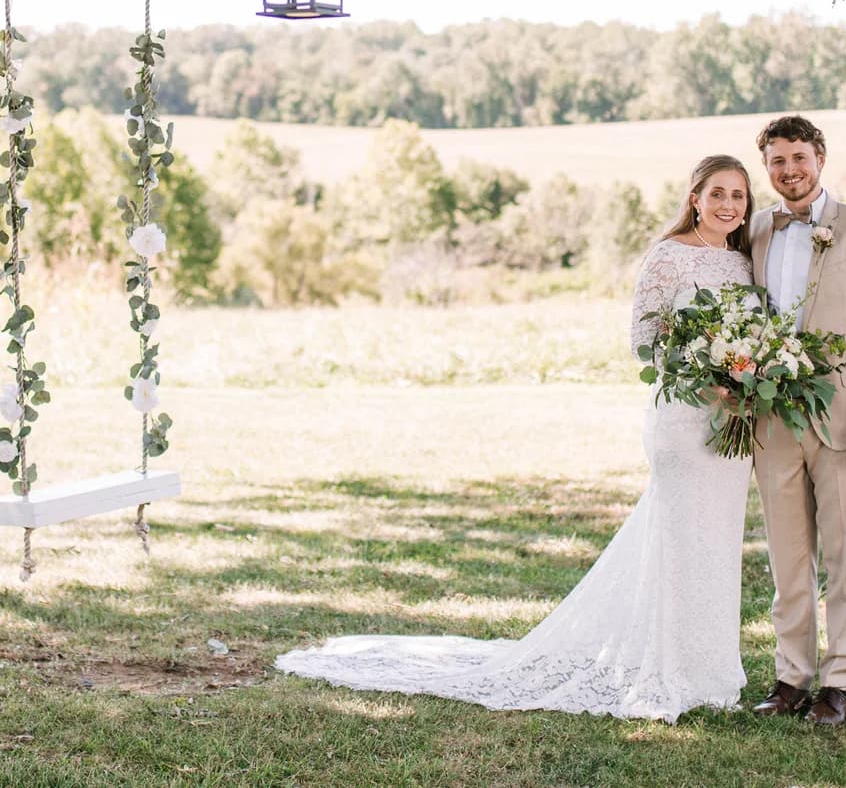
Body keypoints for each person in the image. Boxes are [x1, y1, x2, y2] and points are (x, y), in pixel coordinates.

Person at [274, 155, 758, 721]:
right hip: (681, 421)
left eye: (739, 196)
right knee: (679, 541)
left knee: (715, 545)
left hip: (731, 431)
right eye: (718, 193)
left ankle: (708, 670)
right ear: (695, 197)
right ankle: (664, 667)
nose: (729, 205)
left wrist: (743, 383)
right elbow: (644, 343)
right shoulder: (667, 257)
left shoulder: (742, 262)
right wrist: (706, 380)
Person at [745, 115, 846, 728]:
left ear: (820, 158)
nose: (789, 171)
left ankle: (839, 682)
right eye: (778, 161)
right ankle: (790, 678)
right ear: (767, 168)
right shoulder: (755, 230)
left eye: (799, 158)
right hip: (771, 422)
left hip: (844, 422)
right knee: (788, 561)